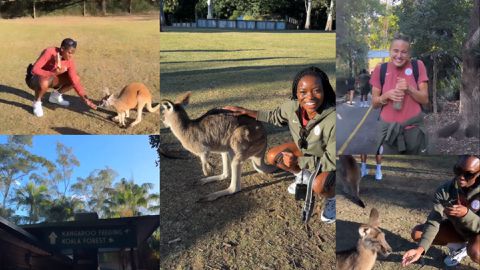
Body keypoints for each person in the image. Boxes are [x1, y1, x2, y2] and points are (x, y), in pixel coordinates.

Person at [224, 66, 336, 223]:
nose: (309, 97)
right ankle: (302, 176)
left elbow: (331, 161)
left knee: (319, 185)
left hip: (329, 159)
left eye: (317, 90)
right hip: (307, 151)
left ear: (325, 91)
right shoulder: (292, 107)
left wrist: (299, 161)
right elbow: (275, 116)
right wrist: (247, 111)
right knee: (273, 156)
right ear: (296, 94)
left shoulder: (334, 118)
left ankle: (332, 198)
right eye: (303, 92)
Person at [402, 155, 480, 267]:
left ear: (478, 174)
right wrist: (420, 250)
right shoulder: (445, 190)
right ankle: (459, 248)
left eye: (468, 174)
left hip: (477, 233)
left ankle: (471, 246)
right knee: (418, 233)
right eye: (458, 170)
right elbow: (434, 220)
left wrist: (466, 214)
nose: (461, 177)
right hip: (459, 230)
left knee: (476, 252)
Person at [370, 33, 429, 154]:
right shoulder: (380, 69)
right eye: (395, 51)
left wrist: (409, 89)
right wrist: (386, 96)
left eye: (404, 52)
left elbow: (425, 99)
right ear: (390, 51)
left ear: (409, 54)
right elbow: (374, 104)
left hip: (413, 131)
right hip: (388, 132)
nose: (399, 56)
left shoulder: (418, 66)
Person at [26, 38, 97, 117]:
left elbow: (74, 81)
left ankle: (55, 97)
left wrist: (85, 99)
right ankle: (37, 102)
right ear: (62, 49)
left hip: (51, 80)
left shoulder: (69, 61)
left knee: (76, 78)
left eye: (73, 53)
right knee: (44, 81)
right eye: (69, 52)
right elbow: (34, 69)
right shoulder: (49, 52)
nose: (71, 56)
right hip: (34, 80)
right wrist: (52, 73)